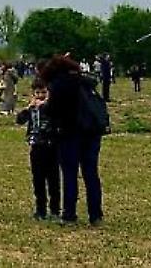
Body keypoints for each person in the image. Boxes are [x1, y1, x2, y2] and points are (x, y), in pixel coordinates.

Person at [41, 54, 104, 226]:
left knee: (69, 174)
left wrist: (43, 106)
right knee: (91, 173)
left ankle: (69, 214)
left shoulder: (59, 84)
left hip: (69, 134)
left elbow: (53, 110)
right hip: (92, 133)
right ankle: (95, 214)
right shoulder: (83, 80)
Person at [16, 77, 60, 220]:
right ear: (33, 94)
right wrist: (28, 108)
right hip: (36, 146)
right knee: (38, 179)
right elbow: (19, 120)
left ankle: (54, 209)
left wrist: (47, 106)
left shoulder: (53, 107)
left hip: (51, 146)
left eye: (44, 92)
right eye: (38, 92)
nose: (41, 95)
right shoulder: (32, 108)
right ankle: (40, 209)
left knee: (53, 180)